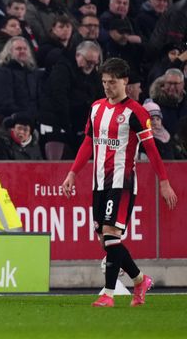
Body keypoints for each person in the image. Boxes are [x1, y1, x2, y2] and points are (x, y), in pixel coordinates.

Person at [61, 57, 178, 307]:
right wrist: (72, 173)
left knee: (111, 235)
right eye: (104, 82)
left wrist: (164, 181)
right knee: (106, 241)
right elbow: (88, 142)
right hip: (99, 183)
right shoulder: (96, 108)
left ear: (125, 81)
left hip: (121, 182)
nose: (107, 87)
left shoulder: (136, 112)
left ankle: (108, 294)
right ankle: (140, 280)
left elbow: (152, 149)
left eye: (112, 82)